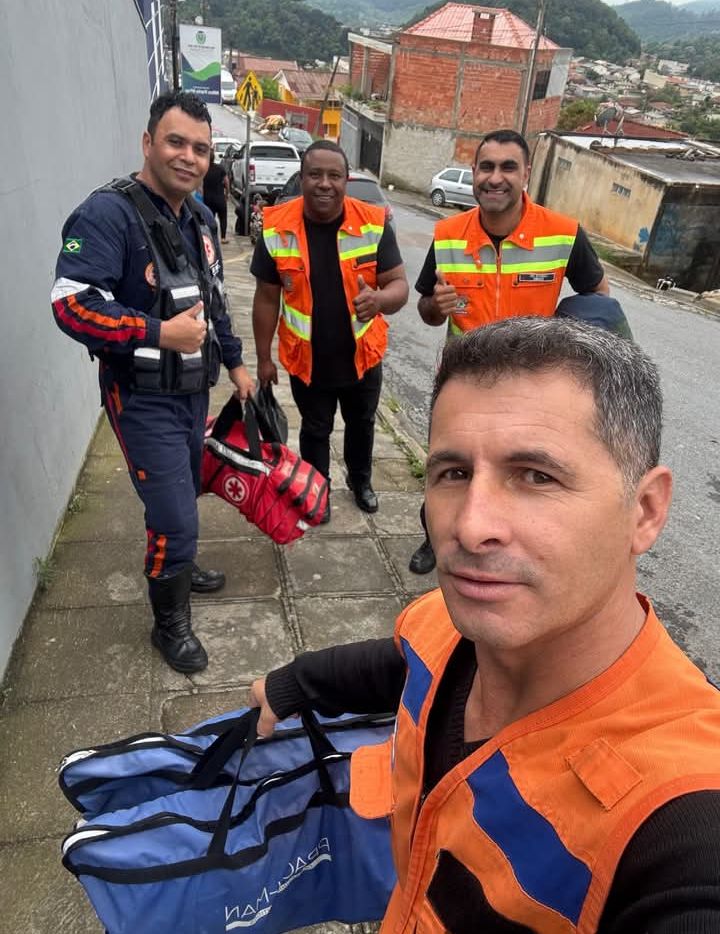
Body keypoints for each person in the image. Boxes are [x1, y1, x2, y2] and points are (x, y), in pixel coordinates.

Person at [249, 317, 720, 932]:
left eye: (536, 476)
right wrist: (292, 684)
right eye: (453, 473)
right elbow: (405, 663)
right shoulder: (447, 626)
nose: (470, 528)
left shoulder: (681, 812)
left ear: (646, 511)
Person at [51, 91, 254, 673]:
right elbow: (70, 304)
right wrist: (159, 332)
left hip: (193, 392)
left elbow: (215, 302)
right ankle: (170, 625)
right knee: (173, 514)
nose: (189, 157)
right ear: (148, 143)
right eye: (176, 142)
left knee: (185, 493)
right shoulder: (106, 214)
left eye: (201, 149)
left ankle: (181, 564)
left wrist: (237, 365)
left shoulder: (202, 218)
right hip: (140, 397)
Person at [410, 127, 611, 575]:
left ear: (526, 174)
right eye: (486, 167)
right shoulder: (447, 235)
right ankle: (435, 538)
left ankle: (515, 545)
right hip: (463, 387)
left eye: (507, 167)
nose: (495, 177)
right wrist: (435, 306)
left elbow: (599, 296)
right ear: (474, 173)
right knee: (450, 469)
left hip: (533, 390)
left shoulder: (562, 233)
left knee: (523, 472)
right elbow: (426, 309)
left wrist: (568, 336)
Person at [250, 140, 409, 522]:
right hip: (308, 360)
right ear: (302, 178)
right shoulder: (277, 227)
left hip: (362, 357)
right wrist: (263, 359)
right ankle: (317, 491)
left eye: (334, 175)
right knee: (315, 430)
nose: (324, 183)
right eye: (315, 174)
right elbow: (267, 298)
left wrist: (380, 300)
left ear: (345, 180)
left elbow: (399, 285)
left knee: (362, 425)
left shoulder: (372, 223)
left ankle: (361, 481)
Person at [202, 149, 229, 243]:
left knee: (209, 218)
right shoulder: (220, 168)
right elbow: (226, 182)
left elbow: (199, 185)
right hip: (220, 197)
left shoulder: (204, 169)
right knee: (223, 218)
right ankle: (223, 237)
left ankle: (211, 237)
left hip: (208, 198)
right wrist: (227, 193)